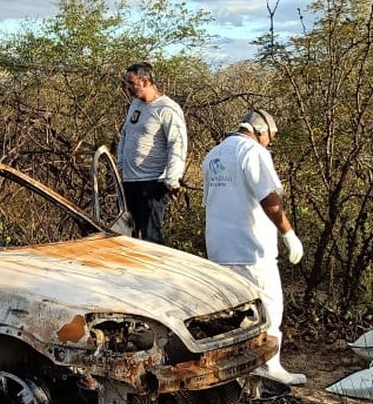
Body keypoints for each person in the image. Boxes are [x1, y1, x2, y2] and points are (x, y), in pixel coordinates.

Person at [202, 108, 306, 386]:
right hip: (250, 249)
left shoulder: (213, 155)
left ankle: (234, 372)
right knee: (270, 307)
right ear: (260, 132)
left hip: (219, 248)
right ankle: (268, 365)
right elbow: (268, 197)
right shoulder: (253, 152)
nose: (269, 142)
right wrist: (288, 233)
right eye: (270, 137)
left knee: (231, 312)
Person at [116, 62, 188, 244]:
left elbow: (177, 144)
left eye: (132, 83)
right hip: (130, 181)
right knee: (129, 237)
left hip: (152, 183)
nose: (128, 88)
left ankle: (158, 273)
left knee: (150, 238)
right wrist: (120, 165)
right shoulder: (135, 105)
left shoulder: (167, 109)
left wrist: (172, 179)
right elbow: (125, 133)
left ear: (146, 81)